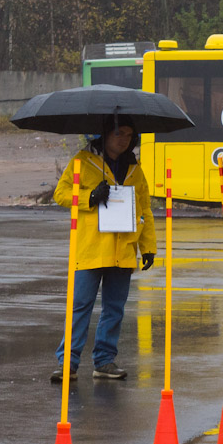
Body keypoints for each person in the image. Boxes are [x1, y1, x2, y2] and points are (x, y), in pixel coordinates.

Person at [51, 116, 156, 382]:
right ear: (106, 134)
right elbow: (61, 194)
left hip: (123, 248)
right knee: (80, 306)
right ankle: (68, 364)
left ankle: (104, 361)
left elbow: (144, 208)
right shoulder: (82, 161)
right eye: (119, 133)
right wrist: (89, 197)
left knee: (114, 309)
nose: (125, 139)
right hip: (90, 248)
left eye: (130, 135)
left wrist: (148, 247)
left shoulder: (134, 168)